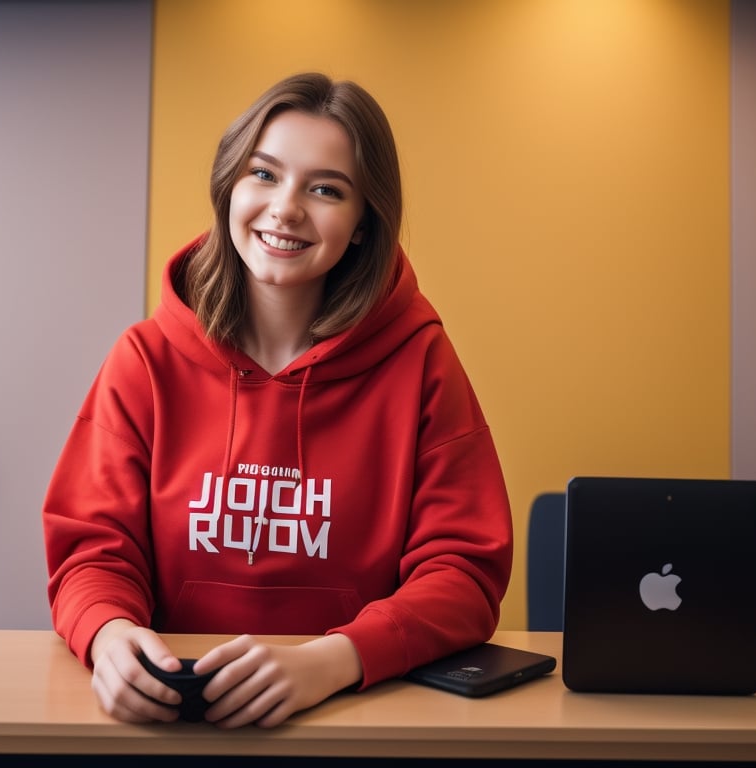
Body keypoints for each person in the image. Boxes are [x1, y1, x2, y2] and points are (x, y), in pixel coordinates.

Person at [43, 72, 514, 729]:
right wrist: (109, 636)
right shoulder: (146, 360)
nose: (286, 209)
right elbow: (92, 549)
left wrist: (333, 661)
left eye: (325, 189)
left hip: (355, 717)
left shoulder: (419, 363)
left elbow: (463, 572)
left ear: (360, 226)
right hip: (177, 720)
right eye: (263, 174)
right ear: (230, 186)